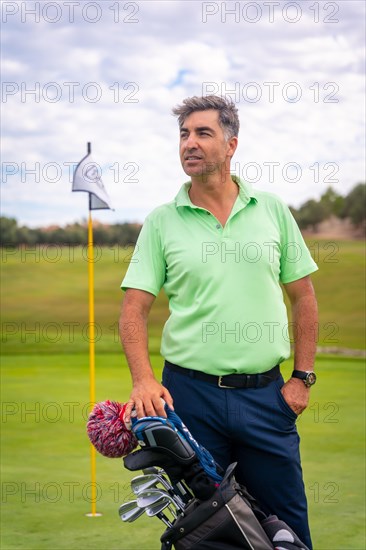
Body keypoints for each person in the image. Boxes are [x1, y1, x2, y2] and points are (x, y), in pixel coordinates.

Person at [119, 95, 318, 549]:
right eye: (184, 134)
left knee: (287, 528)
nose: (190, 143)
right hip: (191, 399)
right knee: (207, 533)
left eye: (202, 133)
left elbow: (303, 297)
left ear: (231, 144)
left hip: (268, 399)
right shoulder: (162, 222)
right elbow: (134, 308)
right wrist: (143, 380)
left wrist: (302, 378)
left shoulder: (270, 209)